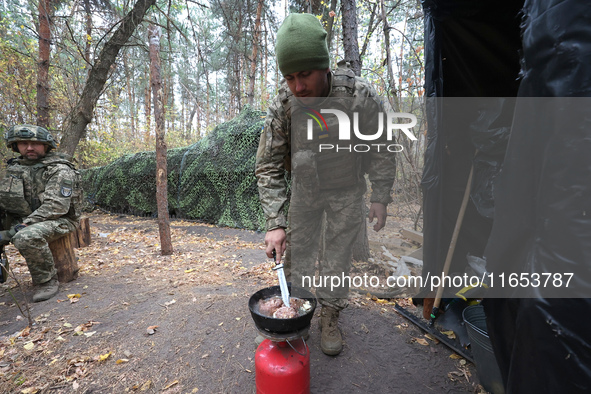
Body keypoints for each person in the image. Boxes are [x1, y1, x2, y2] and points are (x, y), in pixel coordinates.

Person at [255, 13, 396, 356]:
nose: (298, 86)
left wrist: (380, 196)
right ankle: (299, 314)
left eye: (305, 74)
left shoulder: (359, 96)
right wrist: (275, 222)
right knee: (297, 258)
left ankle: (330, 315)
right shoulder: (284, 106)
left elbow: (382, 147)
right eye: (290, 77)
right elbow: (268, 165)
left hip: (347, 192)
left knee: (336, 259)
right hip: (304, 193)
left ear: (324, 66)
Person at [0, 124, 82, 302]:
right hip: (27, 218)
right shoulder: (15, 168)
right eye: (23, 143)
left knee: (25, 237)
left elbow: (56, 207)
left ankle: (46, 281)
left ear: (46, 145)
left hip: (61, 220)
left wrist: (16, 229)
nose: (29, 148)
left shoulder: (59, 169)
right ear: (15, 146)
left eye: (35, 143)